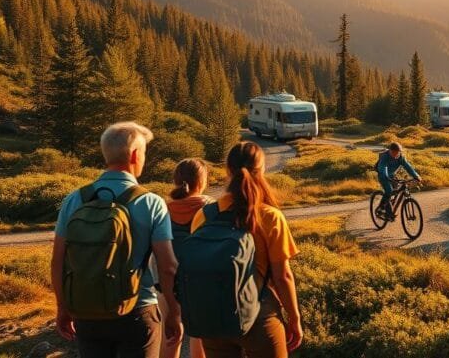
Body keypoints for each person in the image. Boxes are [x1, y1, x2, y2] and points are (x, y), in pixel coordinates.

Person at [50, 122, 182, 358]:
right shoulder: (151, 202)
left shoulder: (75, 199)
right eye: (144, 153)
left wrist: (63, 308)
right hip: (137, 309)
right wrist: (174, 312)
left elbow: (58, 262)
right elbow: (168, 266)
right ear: (134, 155)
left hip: (87, 312)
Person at [190, 142, 303, 358]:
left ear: (227, 170)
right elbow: (283, 276)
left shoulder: (204, 215)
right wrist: (295, 319)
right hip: (259, 314)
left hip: (213, 318)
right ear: (261, 171)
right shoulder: (269, 216)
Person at [162, 159, 214, 358]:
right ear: (202, 181)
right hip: (202, 280)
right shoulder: (210, 207)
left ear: (176, 180)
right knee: (199, 336)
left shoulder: (163, 208)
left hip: (168, 280)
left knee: (171, 335)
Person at [375, 142, 421, 220]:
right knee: (389, 191)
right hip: (383, 175)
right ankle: (382, 209)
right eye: (394, 152)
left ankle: (389, 203)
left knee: (397, 189)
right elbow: (383, 167)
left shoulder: (400, 157)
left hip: (392, 175)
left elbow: (408, 166)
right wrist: (386, 176)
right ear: (390, 151)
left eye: (397, 152)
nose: (395, 154)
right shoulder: (385, 157)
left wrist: (416, 176)